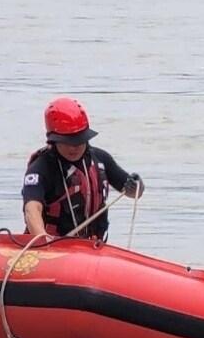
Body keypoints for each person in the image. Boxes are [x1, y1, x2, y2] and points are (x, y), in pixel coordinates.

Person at [22, 97, 143, 240]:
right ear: (54, 140)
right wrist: (43, 241)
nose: (74, 147)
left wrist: (136, 187)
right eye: (67, 142)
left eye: (79, 140)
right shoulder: (40, 168)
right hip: (53, 248)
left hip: (91, 247)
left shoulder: (100, 159)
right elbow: (32, 208)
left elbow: (135, 193)